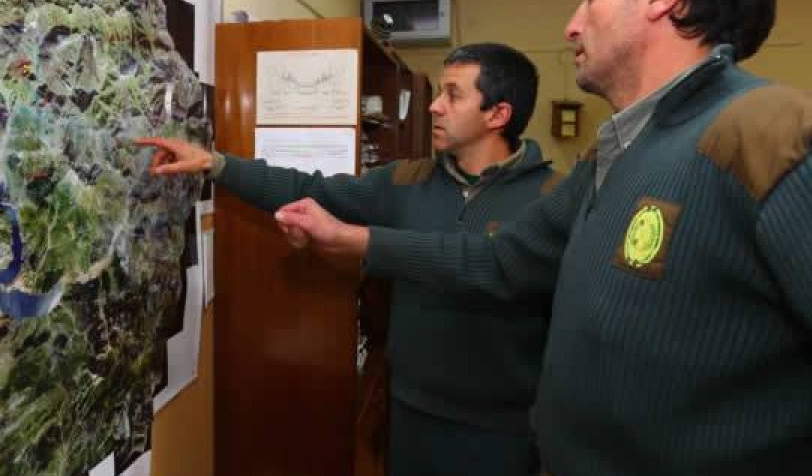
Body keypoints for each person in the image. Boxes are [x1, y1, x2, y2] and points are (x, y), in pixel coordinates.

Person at [273, 0, 812, 476]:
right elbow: (501, 259)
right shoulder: (616, 156)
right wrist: (354, 240)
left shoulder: (789, 142)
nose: (571, 26)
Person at [138, 43, 560, 476]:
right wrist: (217, 164)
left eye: (453, 95)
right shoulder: (405, 181)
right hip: (410, 418)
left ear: (498, 115)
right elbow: (309, 188)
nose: (434, 107)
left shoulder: (553, 201)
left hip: (502, 435)